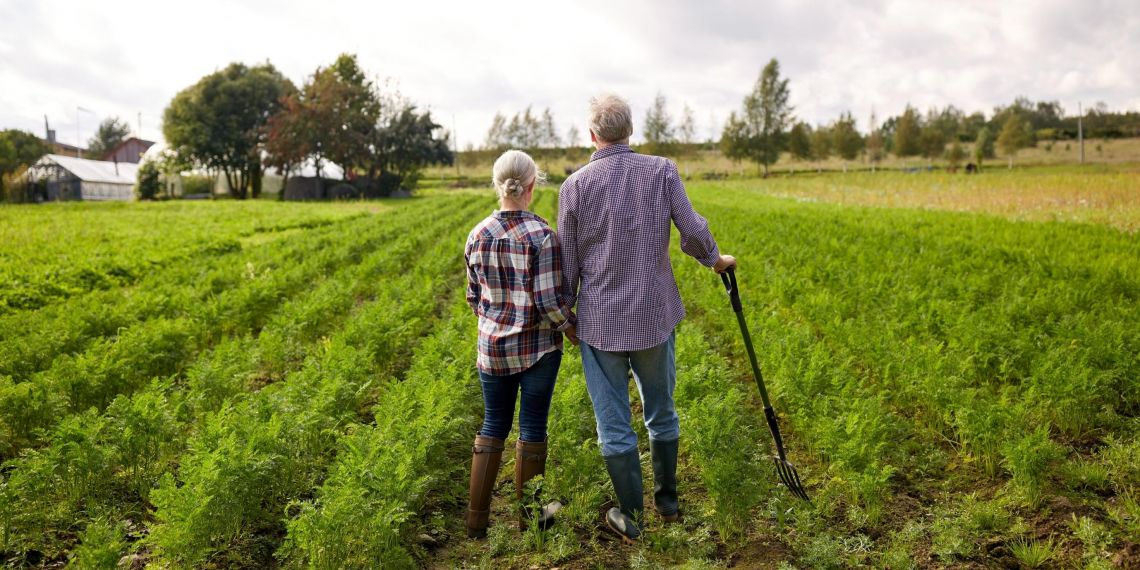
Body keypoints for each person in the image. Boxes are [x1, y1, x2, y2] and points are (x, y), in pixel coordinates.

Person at [557, 94, 736, 543]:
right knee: (662, 409)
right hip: (654, 315)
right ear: (630, 131)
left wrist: (566, 317)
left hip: (600, 322)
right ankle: (669, 503)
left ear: (592, 136)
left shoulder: (574, 187)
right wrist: (715, 260)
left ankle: (632, 517)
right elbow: (692, 229)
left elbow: (566, 263)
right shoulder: (661, 171)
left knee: (613, 422)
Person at [464, 149, 578, 539]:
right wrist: (570, 328)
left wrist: (496, 320)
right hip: (537, 351)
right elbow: (548, 302)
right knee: (532, 428)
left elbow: (473, 297)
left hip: (491, 349)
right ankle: (531, 521)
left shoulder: (477, 234)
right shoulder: (542, 236)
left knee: (492, 424)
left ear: (498, 185)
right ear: (533, 186)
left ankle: (476, 520)